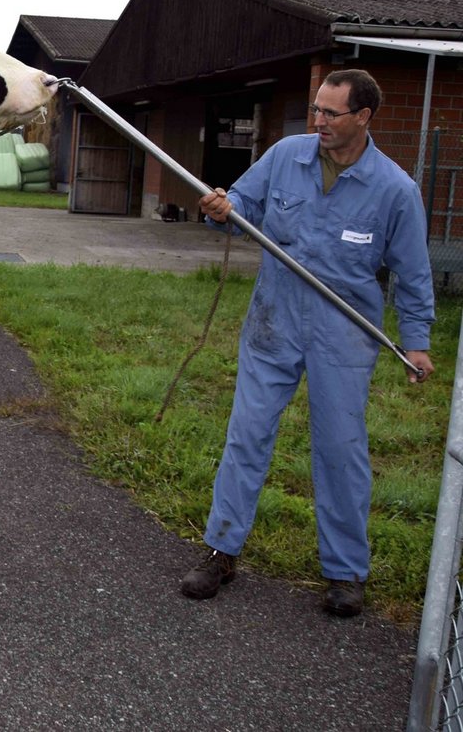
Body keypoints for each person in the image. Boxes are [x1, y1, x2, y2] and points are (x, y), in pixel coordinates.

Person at [181, 68, 435, 617]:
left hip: (343, 336)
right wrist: (224, 209)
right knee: (246, 436)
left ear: (363, 117)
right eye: (316, 109)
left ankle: (345, 571)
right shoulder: (285, 156)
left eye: (330, 113)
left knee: (340, 452)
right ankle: (221, 550)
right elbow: (241, 208)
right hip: (273, 324)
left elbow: (413, 275)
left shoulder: (394, 190)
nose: (317, 120)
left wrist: (416, 342)